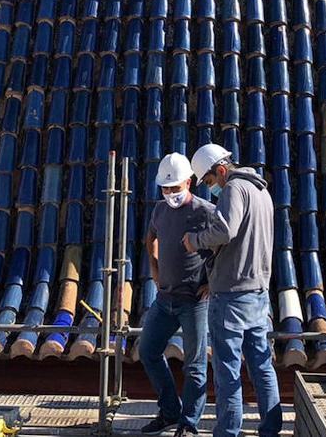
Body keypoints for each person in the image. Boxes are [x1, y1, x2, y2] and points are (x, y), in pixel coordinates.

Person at [182, 144, 281, 437]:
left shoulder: (234, 189)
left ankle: (228, 431)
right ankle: (271, 428)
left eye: (210, 180)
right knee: (261, 365)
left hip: (231, 293)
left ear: (222, 170)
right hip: (258, 291)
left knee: (227, 370)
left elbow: (225, 230)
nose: (211, 188)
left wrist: (195, 240)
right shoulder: (261, 191)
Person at [139, 153, 217, 437]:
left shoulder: (206, 212)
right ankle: (170, 411)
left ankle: (189, 423)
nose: (170, 193)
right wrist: (154, 267)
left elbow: (226, 247)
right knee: (148, 351)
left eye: (175, 187)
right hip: (164, 299)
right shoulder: (159, 210)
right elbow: (150, 238)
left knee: (194, 365)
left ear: (189, 183)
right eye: (165, 188)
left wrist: (212, 283)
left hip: (194, 301)